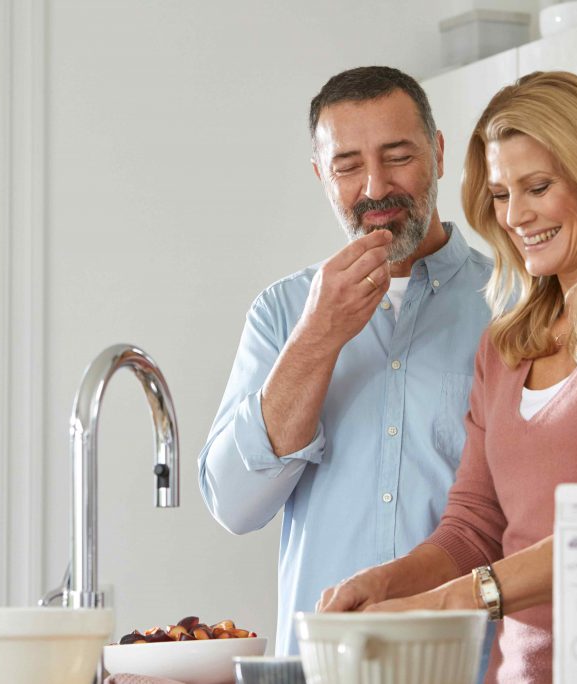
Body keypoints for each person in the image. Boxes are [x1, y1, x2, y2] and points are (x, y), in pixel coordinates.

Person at [317, 70, 577, 683]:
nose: (515, 216)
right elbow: (472, 530)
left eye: (537, 186)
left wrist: (439, 603)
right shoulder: (506, 346)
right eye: (499, 194)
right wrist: (380, 584)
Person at [197, 66, 497, 662]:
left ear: (437, 153)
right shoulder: (282, 313)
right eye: (348, 166)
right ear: (321, 175)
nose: (374, 187)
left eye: (397, 156)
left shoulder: (513, 305)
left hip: (472, 666)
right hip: (323, 668)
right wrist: (316, 339)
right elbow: (234, 505)